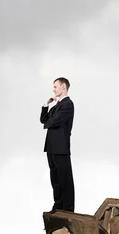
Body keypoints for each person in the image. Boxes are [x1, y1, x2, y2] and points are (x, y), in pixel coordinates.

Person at [40, 77, 75, 212]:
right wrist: (46, 105)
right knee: (55, 180)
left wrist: (49, 122)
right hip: (51, 147)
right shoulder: (56, 106)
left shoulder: (68, 104)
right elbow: (44, 120)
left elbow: (53, 122)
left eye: (55, 86)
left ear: (63, 87)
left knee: (65, 179)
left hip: (61, 148)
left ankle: (68, 210)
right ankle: (58, 207)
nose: (53, 89)